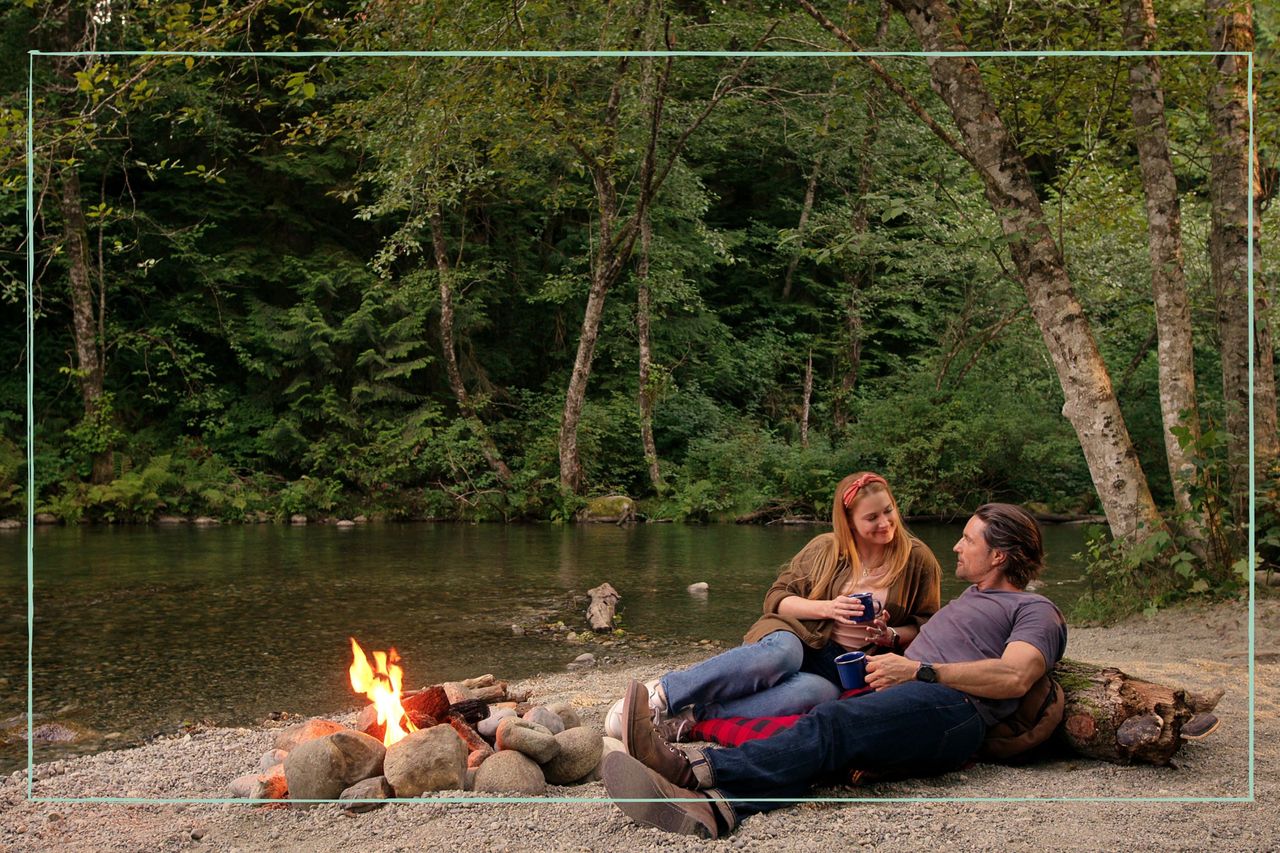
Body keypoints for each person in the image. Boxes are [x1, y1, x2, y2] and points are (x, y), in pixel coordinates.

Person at [602, 502, 1068, 839]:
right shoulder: (973, 598)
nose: (957, 545)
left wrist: (920, 672)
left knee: (831, 724)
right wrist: (888, 643)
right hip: (908, 699)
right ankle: (719, 810)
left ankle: (691, 770)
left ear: (1000, 556)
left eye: (969, 538)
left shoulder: (1034, 609)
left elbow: (1015, 677)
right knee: (825, 746)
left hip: (955, 710)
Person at [605, 472, 942, 737]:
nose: (885, 523)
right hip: (797, 634)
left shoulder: (917, 559)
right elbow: (777, 600)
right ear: (849, 522)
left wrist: (891, 635)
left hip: (845, 666)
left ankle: (690, 719)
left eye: (888, 511)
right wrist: (828, 608)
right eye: (872, 518)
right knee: (782, 655)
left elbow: (929, 625)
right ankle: (661, 695)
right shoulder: (824, 549)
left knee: (816, 695)